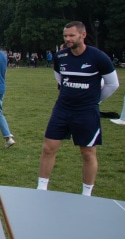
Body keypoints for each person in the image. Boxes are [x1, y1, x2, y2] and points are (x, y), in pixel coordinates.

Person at [37, 21, 118, 197]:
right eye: (65, 36)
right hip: (62, 109)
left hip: (86, 112)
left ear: (83, 35)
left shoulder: (98, 57)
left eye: (71, 35)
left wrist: (94, 101)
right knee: (48, 148)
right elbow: (60, 78)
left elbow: (113, 84)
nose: (68, 39)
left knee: (87, 152)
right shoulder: (61, 56)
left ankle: (86, 194)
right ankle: (41, 190)